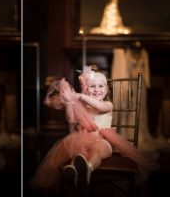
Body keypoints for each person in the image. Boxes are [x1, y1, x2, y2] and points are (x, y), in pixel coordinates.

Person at [29, 66, 155, 196]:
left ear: (106, 90)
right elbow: (71, 119)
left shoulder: (108, 105)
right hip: (82, 139)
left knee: (98, 150)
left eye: (101, 86)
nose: (97, 90)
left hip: (104, 139)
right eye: (93, 86)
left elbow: (98, 106)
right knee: (78, 154)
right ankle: (73, 171)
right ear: (87, 89)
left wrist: (80, 96)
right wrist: (69, 103)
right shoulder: (83, 105)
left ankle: (89, 167)